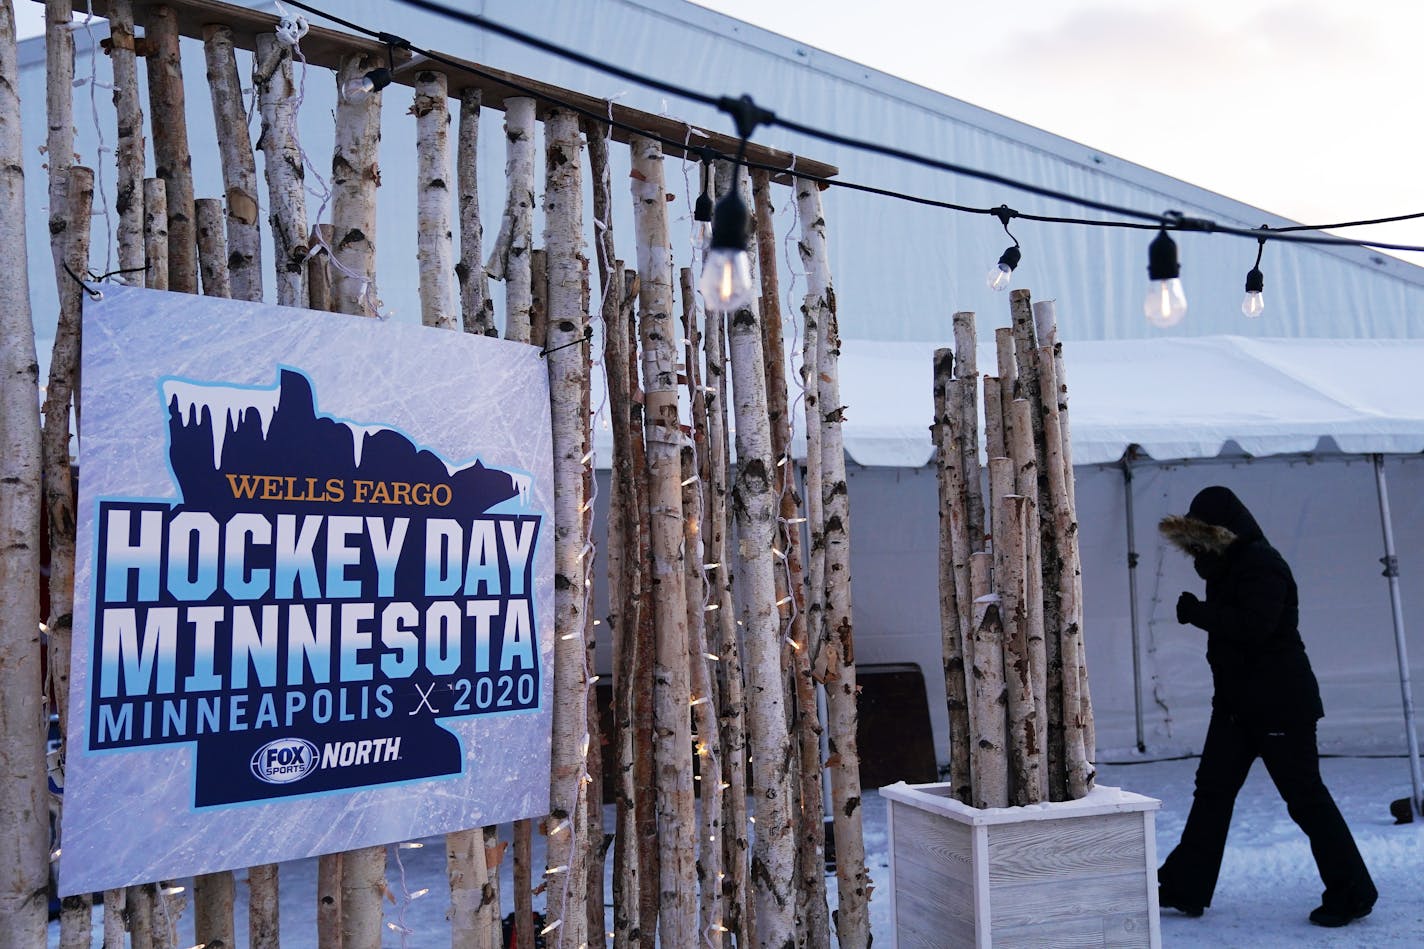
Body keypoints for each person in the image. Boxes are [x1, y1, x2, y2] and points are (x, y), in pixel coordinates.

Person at [1155, 486, 1377, 927]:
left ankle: (1353, 892)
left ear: (1224, 530)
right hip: (1238, 706)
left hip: (1280, 706)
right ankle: (1185, 885)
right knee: (1213, 793)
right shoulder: (1228, 565)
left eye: (1203, 534)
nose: (1198, 545)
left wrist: (1200, 614)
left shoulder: (1262, 563)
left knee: (1305, 799)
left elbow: (1255, 627)